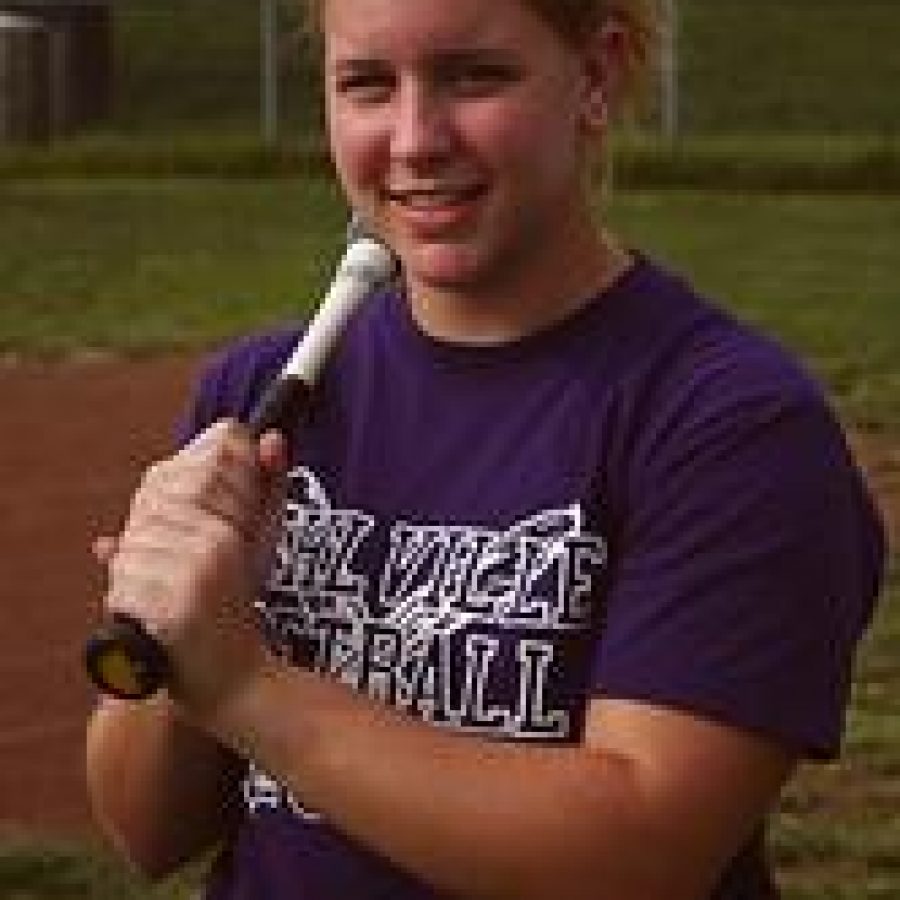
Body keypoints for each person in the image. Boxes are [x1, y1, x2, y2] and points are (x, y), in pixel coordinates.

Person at [85, 0, 887, 897]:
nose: (416, 139)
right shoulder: (259, 398)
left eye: (474, 77)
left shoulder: (729, 425)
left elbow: (640, 856)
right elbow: (146, 830)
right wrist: (181, 623)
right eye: (368, 84)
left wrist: (245, 688)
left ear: (598, 74)